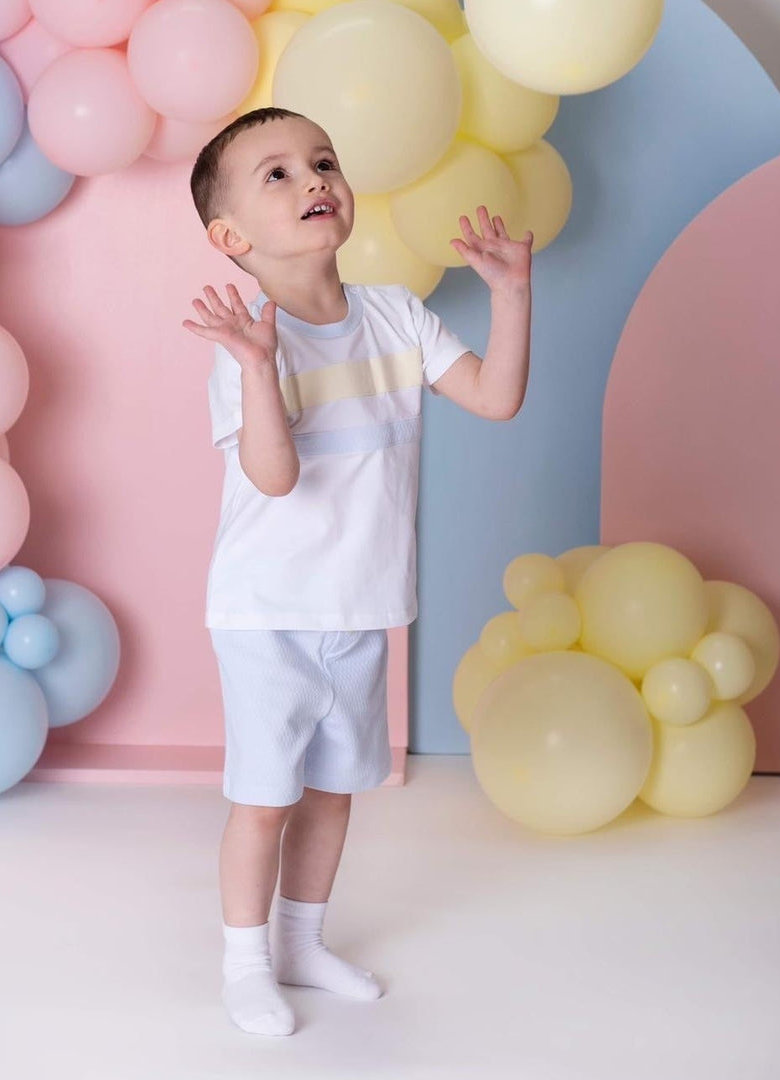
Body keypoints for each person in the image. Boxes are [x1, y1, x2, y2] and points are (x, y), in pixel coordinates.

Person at [184, 107, 533, 1036]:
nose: (312, 181)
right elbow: (275, 474)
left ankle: (303, 942)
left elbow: (496, 400)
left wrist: (510, 293)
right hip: (267, 614)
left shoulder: (394, 314)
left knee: (335, 791)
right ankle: (245, 963)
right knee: (266, 800)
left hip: (363, 604)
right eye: (277, 175)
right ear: (230, 238)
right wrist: (259, 370)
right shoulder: (248, 341)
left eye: (323, 161)